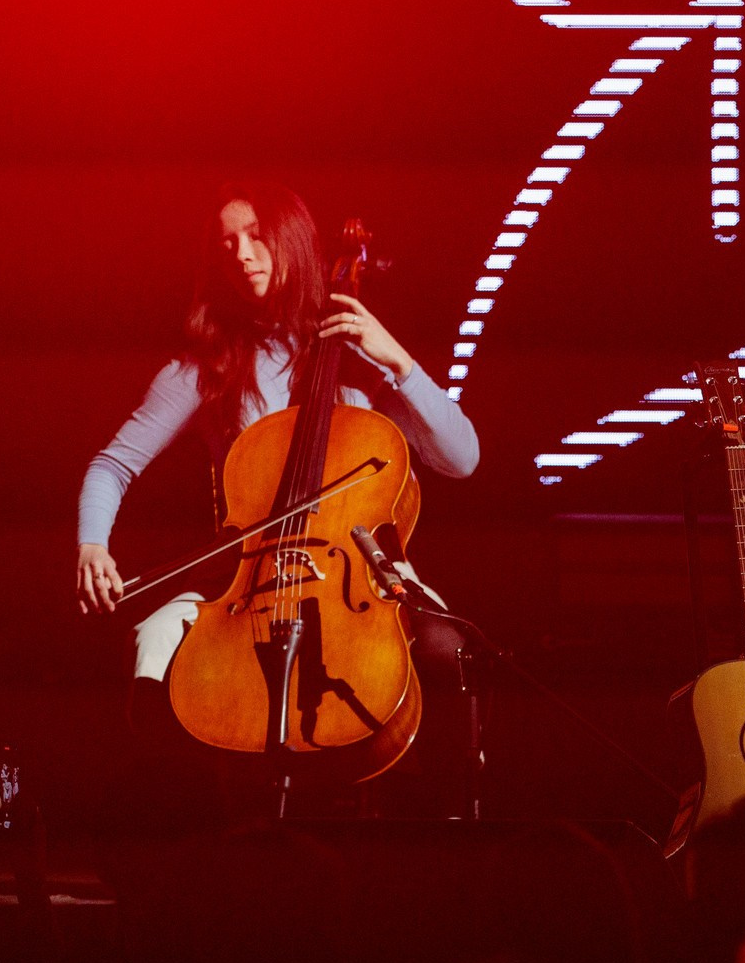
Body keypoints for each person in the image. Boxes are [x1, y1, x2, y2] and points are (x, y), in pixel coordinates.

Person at [75, 187, 480, 755]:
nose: (241, 254)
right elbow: (111, 466)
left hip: (361, 572)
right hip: (246, 581)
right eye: (227, 244)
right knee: (156, 661)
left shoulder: (355, 349)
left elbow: (462, 458)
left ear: (291, 239)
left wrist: (397, 360)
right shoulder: (206, 367)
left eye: (255, 236)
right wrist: (93, 545)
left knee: (444, 652)